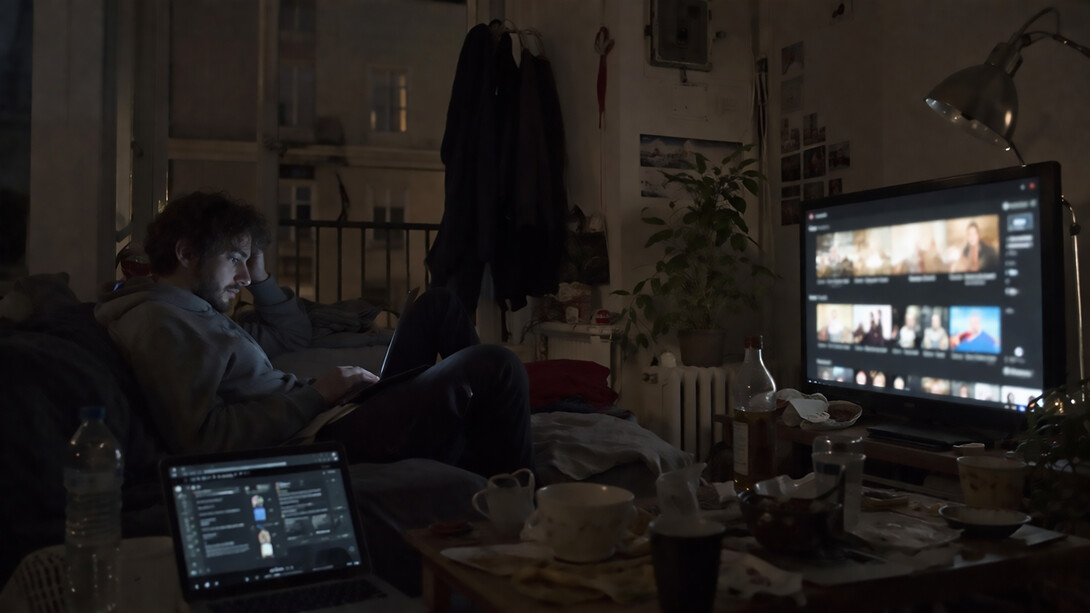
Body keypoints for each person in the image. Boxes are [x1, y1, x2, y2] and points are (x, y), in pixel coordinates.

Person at [95, 191, 533, 478]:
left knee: (437, 305)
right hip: (320, 436)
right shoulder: (161, 323)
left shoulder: (195, 310)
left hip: (328, 413)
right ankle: (516, 504)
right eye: (234, 259)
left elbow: (289, 335)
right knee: (496, 365)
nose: (245, 277)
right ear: (186, 253)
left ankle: (480, 439)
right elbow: (202, 439)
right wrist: (318, 394)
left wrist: (328, 392)